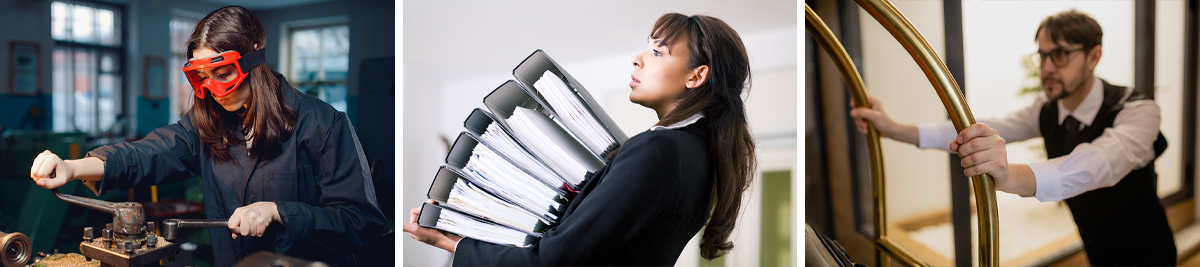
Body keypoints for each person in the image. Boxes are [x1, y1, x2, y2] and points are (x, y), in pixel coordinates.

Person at [27, 6, 386, 266]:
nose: (212, 89)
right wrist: (74, 167)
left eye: (222, 73)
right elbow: (148, 153)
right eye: (202, 77)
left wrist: (279, 211)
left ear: (253, 63)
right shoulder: (208, 123)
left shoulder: (323, 124)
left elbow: (361, 222)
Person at [402, 13, 756, 265]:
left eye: (657, 52)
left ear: (697, 76)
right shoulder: (701, 156)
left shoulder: (659, 149)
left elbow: (556, 260)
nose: (637, 59)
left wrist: (452, 243)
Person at [850, 9, 1174, 266]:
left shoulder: (1139, 110)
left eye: (1060, 55)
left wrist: (1009, 176)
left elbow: (1100, 162)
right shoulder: (1046, 110)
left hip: (1148, 253)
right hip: (1096, 248)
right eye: (1042, 55)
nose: (1047, 67)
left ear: (1094, 57)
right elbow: (977, 127)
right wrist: (893, 128)